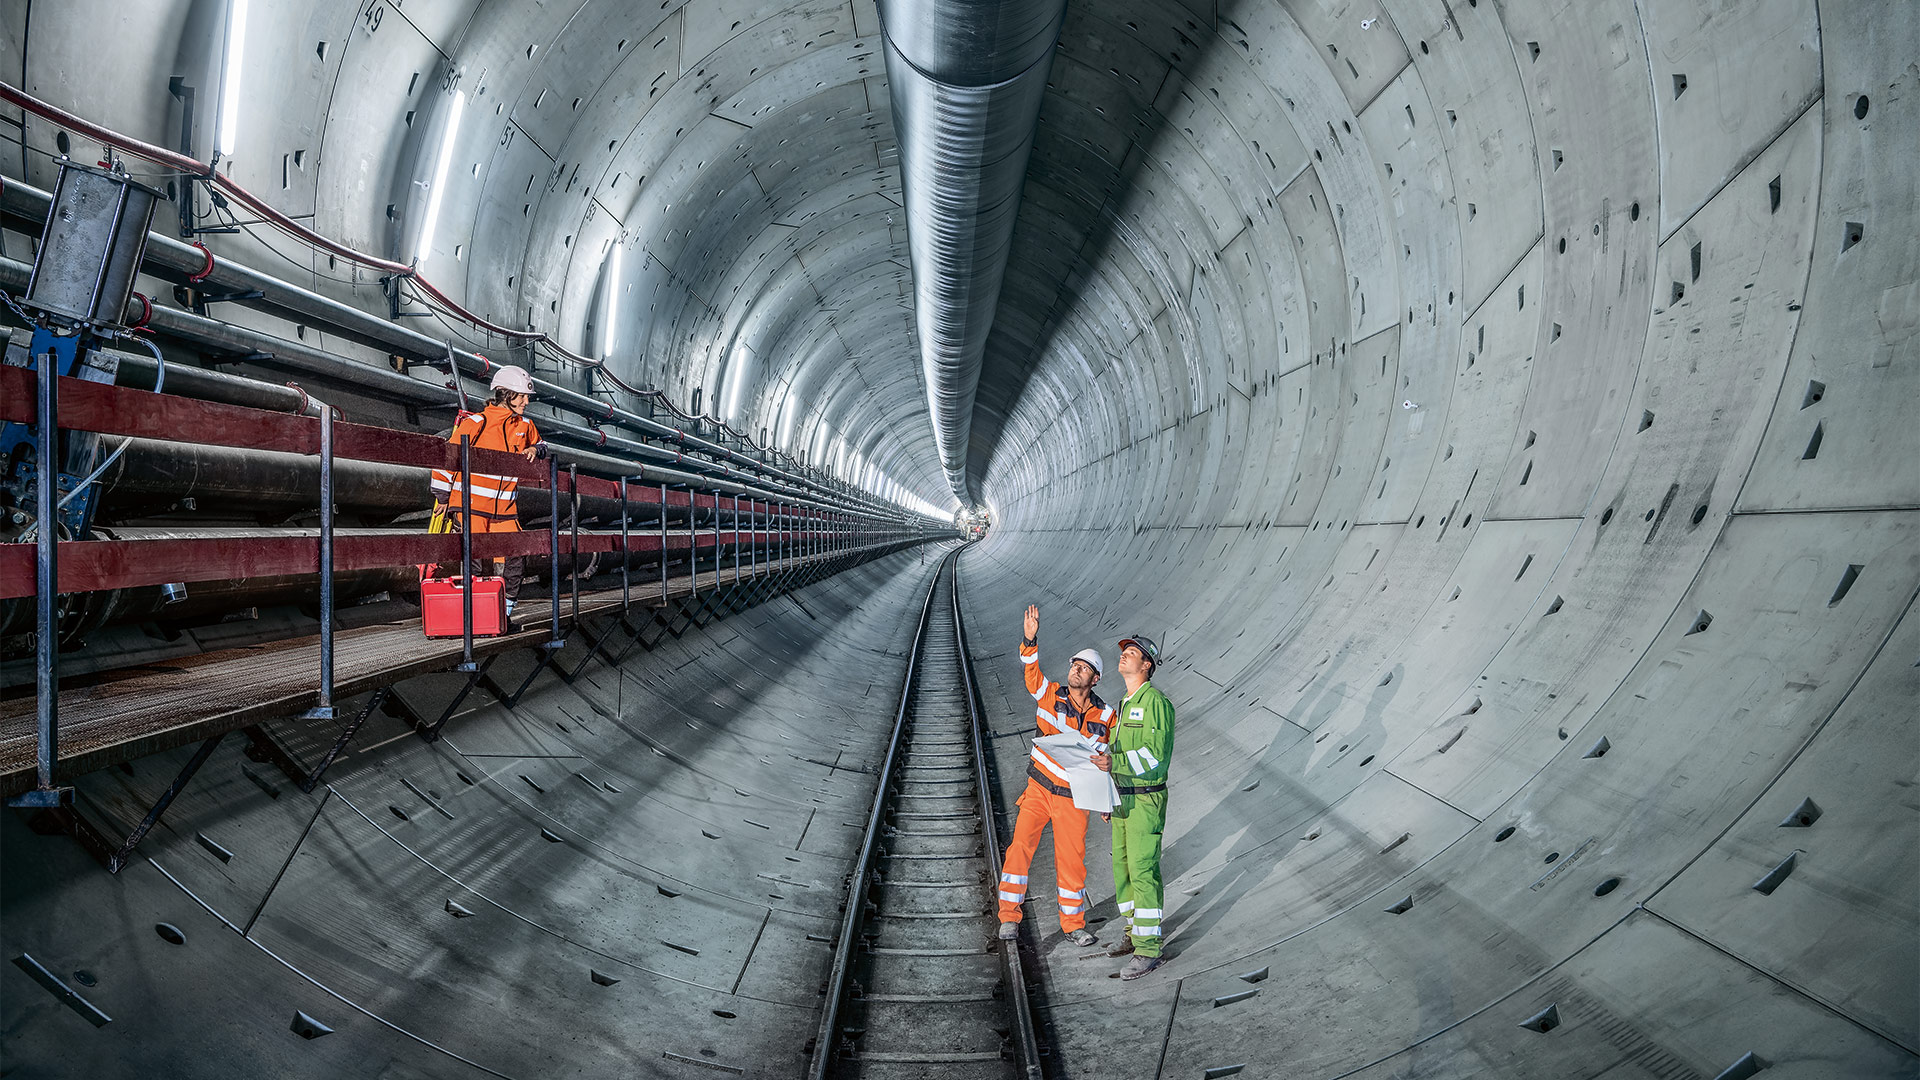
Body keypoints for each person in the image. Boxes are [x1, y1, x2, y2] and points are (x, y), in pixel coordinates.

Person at [996, 603, 1113, 947]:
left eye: (1084, 668)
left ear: (1096, 679)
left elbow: (1106, 757)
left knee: (1072, 863)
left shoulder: (1107, 716)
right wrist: (1029, 640)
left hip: (1073, 797)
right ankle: (1008, 917)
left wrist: (1106, 797)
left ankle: (1073, 924)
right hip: (1039, 789)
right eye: (1074, 665)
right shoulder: (1050, 694)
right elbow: (1030, 673)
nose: (1076, 670)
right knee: (1019, 849)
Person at [429, 365, 545, 620]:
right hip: (469, 505)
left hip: (504, 511)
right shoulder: (476, 423)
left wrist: (535, 451)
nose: (526, 401)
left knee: (517, 556)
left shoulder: (525, 426)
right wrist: (443, 498)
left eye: (527, 397)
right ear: (504, 394)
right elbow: (448, 459)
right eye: (521, 396)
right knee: (475, 561)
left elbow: (541, 444)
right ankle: (474, 616)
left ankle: (502, 613)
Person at [1091, 632, 1173, 979]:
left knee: (1142, 870)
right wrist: (1109, 792)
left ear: (1147, 664)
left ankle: (1149, 948)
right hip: (1124, 798)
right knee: (1122, 871)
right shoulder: (1125, 704)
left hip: (1145, 799)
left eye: (1133, 652)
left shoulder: (1155, 702)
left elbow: (1155, 757)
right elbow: (1118, 754)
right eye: (1123, 651)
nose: (1124, 655)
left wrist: (1116, 766)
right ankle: (1132, 932)